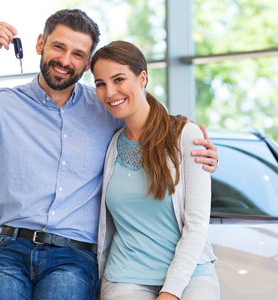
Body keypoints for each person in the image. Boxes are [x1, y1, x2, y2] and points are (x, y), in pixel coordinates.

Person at [0, 9, 218, 300]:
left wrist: (199, 152)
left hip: (73, 256)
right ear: (40, 44)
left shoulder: (106, 107)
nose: (65, 60)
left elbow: (152, 127)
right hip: (10, 249)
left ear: (87, 63)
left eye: (78, 54)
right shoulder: (4, 104)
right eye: (58, 47)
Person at [91, 40, 219, 300]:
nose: (110, 92)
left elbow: (196, 225)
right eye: (100, 84)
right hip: (124, 277)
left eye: (118, 79)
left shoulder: (185, 135)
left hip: (191, 275)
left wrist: (170, 292)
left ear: (142, 78)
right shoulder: (110, 145)